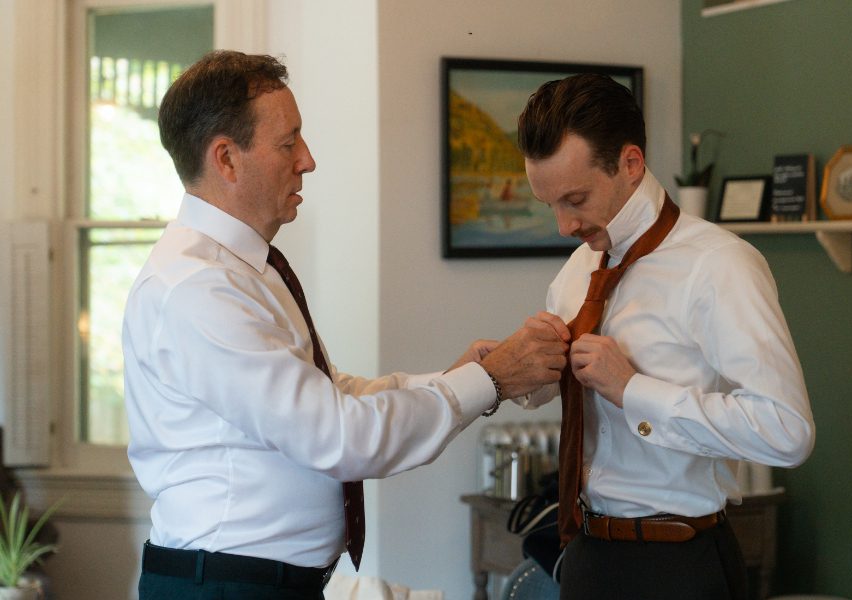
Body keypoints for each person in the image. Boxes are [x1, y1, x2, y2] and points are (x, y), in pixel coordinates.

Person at [122, 50, 568, 600]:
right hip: (225, 587)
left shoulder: (242, 271)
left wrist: (457, 378)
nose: (307, 160)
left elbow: (331, 395)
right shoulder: (199, 288)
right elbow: (336, 435)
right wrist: (490, 381)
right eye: (288, 143)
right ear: (226, 159)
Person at [513, 73, 815, 599]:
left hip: (678, 565)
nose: (563, 225)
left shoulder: (720, 265)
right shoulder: (578, 269)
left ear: (630, 165)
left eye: (576, 199)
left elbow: (787, 431)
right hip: (586, 554)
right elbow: (565, 393)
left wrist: (634, 390)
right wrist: (522, 371)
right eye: (551, 205)